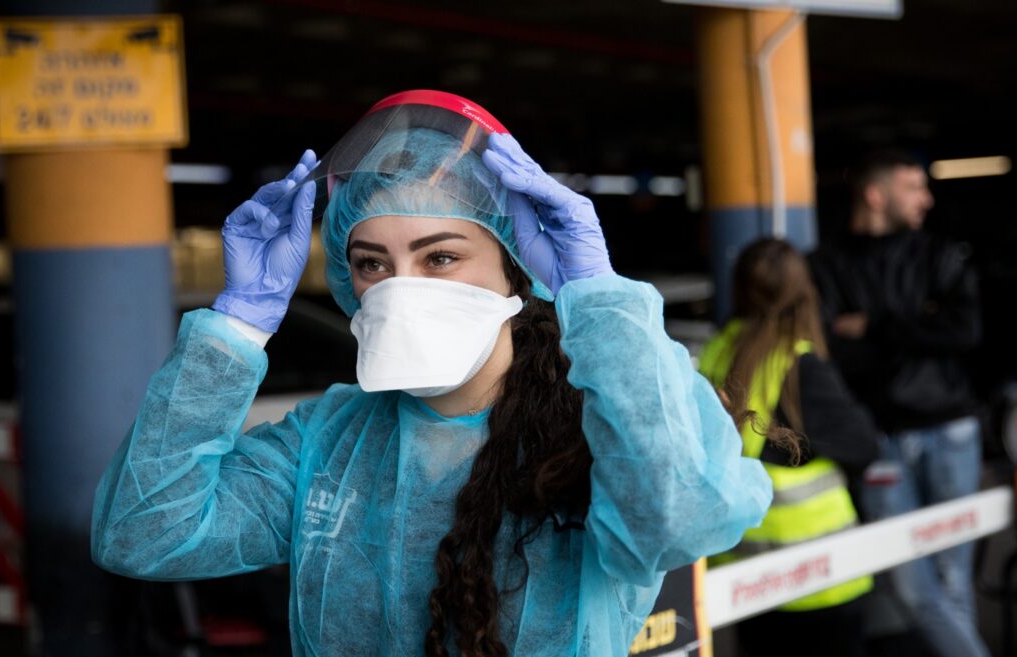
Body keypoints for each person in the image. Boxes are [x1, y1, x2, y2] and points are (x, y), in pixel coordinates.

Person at [90, 90, 772, 657]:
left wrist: (596, 295)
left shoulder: (593, 432)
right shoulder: (326, 441)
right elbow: (144, 532)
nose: (399, 286)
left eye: (440, 256)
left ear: (516, 266)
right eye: (371, 263)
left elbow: (681, 518)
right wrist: (238, 322)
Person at [809, 150, 988, 657]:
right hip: (878, 440)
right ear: (875, 193)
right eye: (914, 187)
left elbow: (965, 330)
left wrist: (875, 326)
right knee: (907, 584)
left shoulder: (940, 255)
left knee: (954, 579)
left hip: (949, 430)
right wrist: (917, 324)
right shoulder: (826, 264)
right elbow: (829, 347)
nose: (927, 200)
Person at [699, 238, 879, 657]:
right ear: (804, 291)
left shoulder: (717, 350)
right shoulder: (798, 362)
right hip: (821, 576)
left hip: (746, 575)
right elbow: (863, 444)